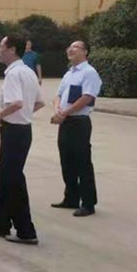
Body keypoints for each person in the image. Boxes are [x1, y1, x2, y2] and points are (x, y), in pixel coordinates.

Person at [0, 34, 45, 245]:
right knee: (5, 177)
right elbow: (39, 103)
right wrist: (25, 115)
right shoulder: (28, 72)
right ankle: (1, 223)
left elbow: (16, 103)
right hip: (23, 130)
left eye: (1, 46)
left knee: (13, 181)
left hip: (13, 131)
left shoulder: (14, 74)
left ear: (12, 50)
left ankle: (26, 231)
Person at [50, 40, 101, 217]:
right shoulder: (68, 74)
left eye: (76, 47)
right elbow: (58, 95)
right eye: (69, 47)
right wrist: (58, 110)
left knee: (82, 163)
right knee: (67, 161)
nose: (71, 50)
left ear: (85, 52)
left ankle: (88, 203)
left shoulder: (89, 73)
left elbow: (87, 98)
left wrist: (64, 113)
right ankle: (71, 197)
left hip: (79, 122)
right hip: (65, 121)